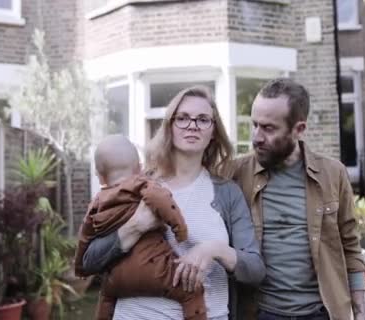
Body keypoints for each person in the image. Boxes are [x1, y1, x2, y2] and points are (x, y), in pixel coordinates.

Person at [80, 86, 265, 320]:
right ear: (169, 126)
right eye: (183, 118)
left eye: (203, 119)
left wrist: (213, 249)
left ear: (213, 132)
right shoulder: (136, 186)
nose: (192, 125)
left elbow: (255, 269)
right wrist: (135, 226)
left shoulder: (227, 193)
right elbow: (89, 261)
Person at [231, 78, 365, 320]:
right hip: (260, 313)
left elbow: (350, 247)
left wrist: (360, 312)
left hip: (321, 312)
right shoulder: (235, 173)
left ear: (299, 129)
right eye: (254, 125)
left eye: (268, 128)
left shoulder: (333, 174)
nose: (256, 137)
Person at [73, 134, 206, 320]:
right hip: (155, 269)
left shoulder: (96, 203)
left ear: (100, 176)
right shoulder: (141, 184)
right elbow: (162, 200)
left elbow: (85, 237)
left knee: (107, 297)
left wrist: (79, 266)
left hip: (117, 278)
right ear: (139, 168)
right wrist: (180, 229)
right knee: (193, 291)